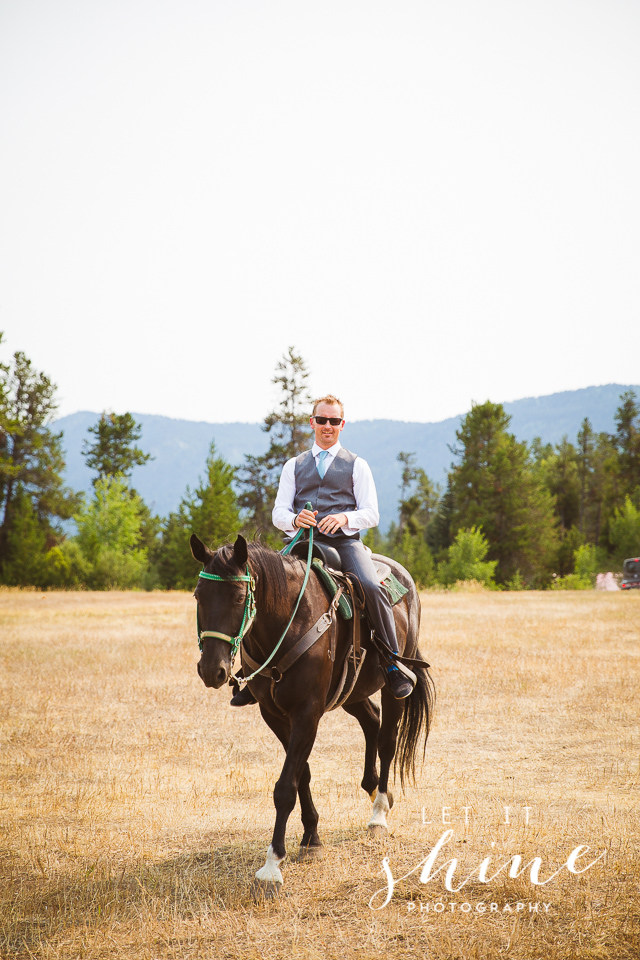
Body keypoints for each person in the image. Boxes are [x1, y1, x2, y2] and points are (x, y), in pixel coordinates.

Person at [230, 394, 415, 706]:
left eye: (334, 421)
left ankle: (392, 663)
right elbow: (278, 513)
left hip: (346, 544)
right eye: (322, 420)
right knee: (262, 587)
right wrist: (293, 518)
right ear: (312, 422)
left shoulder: (358, 465)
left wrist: (344, 518)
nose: (327, 426)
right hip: (302, 543)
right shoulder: (294, 465)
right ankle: (252, 670)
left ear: (342, 425)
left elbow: (371, 514)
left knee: (370, 586)